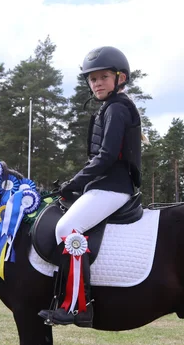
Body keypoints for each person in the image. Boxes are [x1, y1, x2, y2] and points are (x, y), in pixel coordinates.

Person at [38, 46, 144, 328]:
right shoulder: (110, 108)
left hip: (112, 187)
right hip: (103, 185)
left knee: (65, 229)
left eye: (103, 77)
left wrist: (75, 183)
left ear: (120, 78)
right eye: (92, 79)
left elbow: (107, 156)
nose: (96, 83)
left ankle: (77, 306)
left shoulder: (118, 109)